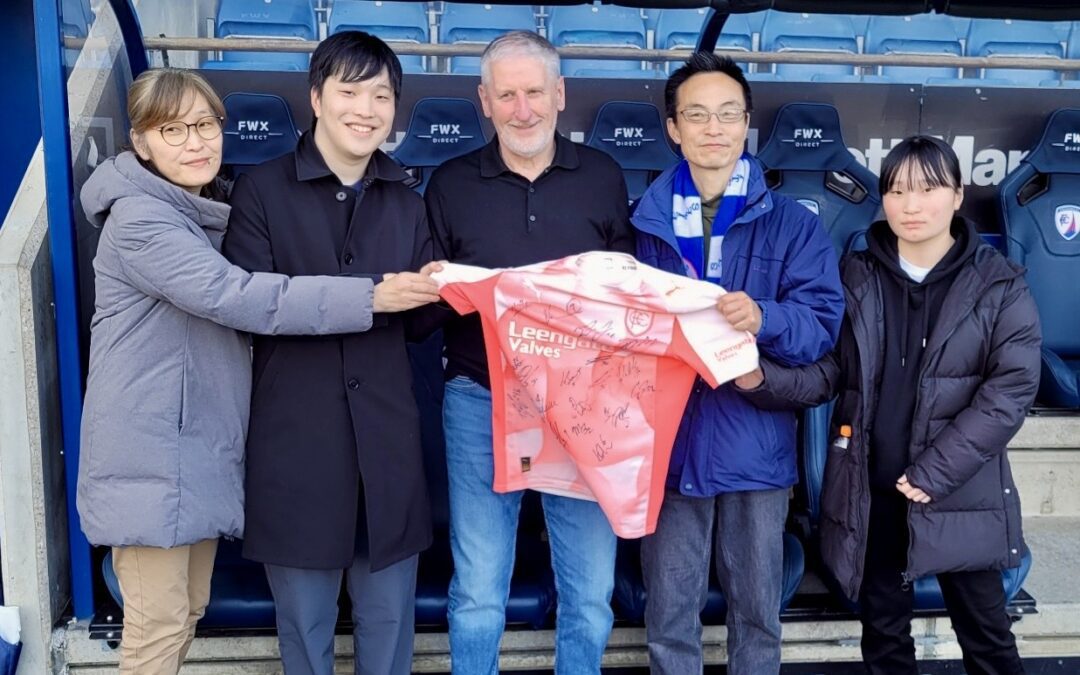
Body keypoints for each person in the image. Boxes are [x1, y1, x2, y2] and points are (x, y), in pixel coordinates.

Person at [76, 68, 433, 675]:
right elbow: (235, 295)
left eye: (206, 125)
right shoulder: (142, 220)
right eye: (173, 129)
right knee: (156, 631)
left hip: (190, 454)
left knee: (181, 615)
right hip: (151, 458)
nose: (196, 142)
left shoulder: (199, 211)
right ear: (140, 142)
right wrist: (371, 296)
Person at [737, 136, 1039, 675]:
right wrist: (761, 379)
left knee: (988, 639)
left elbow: (1010, 390)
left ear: (957, 195)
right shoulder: (857, 274)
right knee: (883, 639)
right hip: (872, 494)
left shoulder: (999, 283)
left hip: (959, 493)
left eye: (928, 188)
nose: (911, 204)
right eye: (897, 190)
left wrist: (935, 471)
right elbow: (830, 372)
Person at [221, 32, 440, 675]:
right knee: (305, 634)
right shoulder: (261, 190)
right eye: (349, 91)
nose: (366, 109)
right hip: (297, 449)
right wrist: (374, 296)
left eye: (381, 95)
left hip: (389, 452)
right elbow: (251, 305)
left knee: (390, 630)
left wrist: (447, 292)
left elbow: (422, 326)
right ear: (316, 98)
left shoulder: (408, 196)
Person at [423, 30, 634, 675]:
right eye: (506, 95)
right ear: (483, 102)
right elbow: (433, 305)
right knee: (480, 591)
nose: (523, 110)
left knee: (591, 595)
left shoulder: (602, 176)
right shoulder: (449, 183)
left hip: (585, 406)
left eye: (535, 92)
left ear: (560, 95)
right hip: (480, 399)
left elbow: (626, 291)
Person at [630, 53, 844, 674]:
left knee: (757, 618)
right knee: (669, 619)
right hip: (669, 452)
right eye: (696, 115)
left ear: (747, 123)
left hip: (756, 451)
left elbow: (821, 328)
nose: (713, 128)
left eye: (728, 114)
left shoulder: (792, 227)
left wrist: (765, 319)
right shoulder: (639, 225)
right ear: (674, 128)